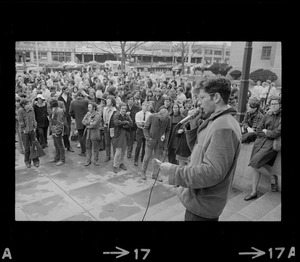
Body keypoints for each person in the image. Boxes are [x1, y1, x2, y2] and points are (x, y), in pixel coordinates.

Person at [158, 76, 242, 221]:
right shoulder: (217, 121)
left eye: (202, 97)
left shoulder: (223, 127)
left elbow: (212, 172)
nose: (198, 103)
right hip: (199, 200)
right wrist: (193, 125)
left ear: (215, 97)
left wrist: (173, 170)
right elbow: (198, 150)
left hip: (203, 205)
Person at [244, 96, 281, 200]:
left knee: (255, 163)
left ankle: (272, 176)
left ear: (280, 105)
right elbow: (259, 129)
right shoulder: (267, 114)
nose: (273, 106)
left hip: (271, 144)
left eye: (275, 104)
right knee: (255, 166)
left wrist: (266, 132)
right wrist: (266, 132)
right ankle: (253, 192)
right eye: (271, 104)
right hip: (259, 142)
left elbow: (276, 133)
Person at [141, 107, 171, 181]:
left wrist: (165, 138)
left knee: (157, 159)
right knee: (147, 157)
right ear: (159, 114)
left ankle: (155, 174)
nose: (165, 119)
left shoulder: (168, 119)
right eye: (163, 118)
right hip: (150, 141)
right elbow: (145, 128)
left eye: (166, 118)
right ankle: (143, 172)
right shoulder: (152, 117)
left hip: (160, 142)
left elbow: (168, 130)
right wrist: (148, 138)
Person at [18, 98, 39, 168]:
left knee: (34, 146)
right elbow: (20, 121)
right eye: (27, 103)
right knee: (27, 148)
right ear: (23, 105)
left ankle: (36, 161)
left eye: (29, 103)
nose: (28, 104)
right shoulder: (20, 111)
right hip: (25, 132)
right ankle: (27, 161)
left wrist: (35, 127)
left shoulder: (31, 109)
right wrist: (24, 129)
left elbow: (34, 118)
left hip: (32, 130)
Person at [113, 102, 133, 173]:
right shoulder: (116, 115)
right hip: (119, 135)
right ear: (119, 108)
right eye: (122, 108)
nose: (124, 110)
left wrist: (124, 123)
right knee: (118, 152)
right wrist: (126, 122)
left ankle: (121, 163)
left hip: (126, 135)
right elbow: (116, 123)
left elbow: (131, 123)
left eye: (125, 108)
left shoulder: (127, 115)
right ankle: (115, 166)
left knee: (123, 151)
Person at [69, 91, 89, 157]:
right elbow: (94, 103)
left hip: (78, 121)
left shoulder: (73, 102)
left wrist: (75, 117)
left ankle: (83, 151)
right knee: (87, 135)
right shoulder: (85, 101)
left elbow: (71, 112)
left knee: (81, 136)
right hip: (86, 121)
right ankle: (88, 149)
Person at [82, 102, 101, 166]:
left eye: (89, 107)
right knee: (88, 147)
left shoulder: (97, 115)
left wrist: (88, 124)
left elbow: (94, 125)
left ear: (94, 108)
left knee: (95, 148)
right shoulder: (88, 114)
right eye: (88, 107)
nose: (88, 109)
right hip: (88, 133)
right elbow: (83, 121)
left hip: (95, 133)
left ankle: (95, 160)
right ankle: (88, 160)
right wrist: (89, 123)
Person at [48, 98, 65, 166]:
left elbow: (60, 122)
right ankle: (57, 157)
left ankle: (62, 159)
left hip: (57, 130)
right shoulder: (54, 110)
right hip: (54, 129)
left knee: (59, 145)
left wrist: (58, 132)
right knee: (56, 144)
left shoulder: (58, 111)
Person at [134, 101, 152, 167]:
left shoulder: (150, 114)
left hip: (146, 131)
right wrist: (145, 123)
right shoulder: (138, 114)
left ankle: (142, 159)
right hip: (140, 131)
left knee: (145, 146)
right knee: (138, 146)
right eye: (144, 105)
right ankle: (136, 160)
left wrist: (143, 123)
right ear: (142, 106)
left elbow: (149, 124)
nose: (146, 107)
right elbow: (138, 124)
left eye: (147, 105)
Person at [58, 86, 74, 152]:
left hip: (68, 116)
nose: (68, 91)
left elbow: (72, 105)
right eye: (66, 90)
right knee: (65, 131)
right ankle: (67, 146)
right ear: (63, 90)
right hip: (63, 116)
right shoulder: (60, 98)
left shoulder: (69, 97)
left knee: (69, 129)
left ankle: (67, 144)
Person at [102, 95, 117, 162]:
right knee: (107, 142)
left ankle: (115, 156)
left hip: (112, 128)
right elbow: (103, 117)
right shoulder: (104, 109)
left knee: (114, 143)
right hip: (106, 127)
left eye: (109, 101)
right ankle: (108, 155)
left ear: (112, 102)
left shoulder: (115, 110)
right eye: (107, 100)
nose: (107, 102)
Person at [126, 94, 141, 159]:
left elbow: (138, 117)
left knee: (131, 140)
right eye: (129, 99)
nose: (130, 101)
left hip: (132, 127)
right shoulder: (124, 107)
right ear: (127, 100)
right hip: (125, 127)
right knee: (125, 140)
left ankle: (129, 153)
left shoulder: (137, 108)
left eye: (131, 99)